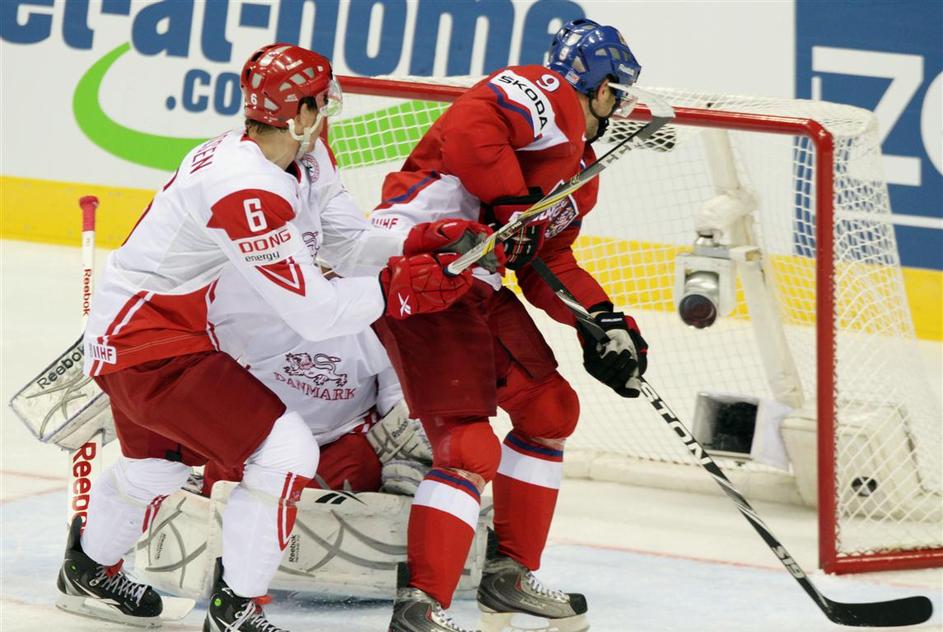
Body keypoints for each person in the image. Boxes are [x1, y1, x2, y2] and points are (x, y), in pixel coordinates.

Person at [60, 43, 490, 632]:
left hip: (169, 332)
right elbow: (315, 314)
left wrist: (418, 242)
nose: (327, 113)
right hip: (151, 341)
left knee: (159, 466)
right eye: (322, 103)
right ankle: (235, 609)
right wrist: (399, 289)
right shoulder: (245, 190)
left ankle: (87, 569)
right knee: (286, 451)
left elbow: (345, 244)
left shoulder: (303, 157)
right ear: (302, 111)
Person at [370, 19, 649, 632]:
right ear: (603, 88)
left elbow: (547, 261)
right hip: (422, 268)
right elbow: (472, 123)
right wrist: (511, 203)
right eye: (620, 92)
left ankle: (508, 576)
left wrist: (603, 321)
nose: (620, 106)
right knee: (470, 446)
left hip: (476, 281)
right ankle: (420, 606)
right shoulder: (546, 91)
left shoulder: (579, 174)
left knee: (550, 409)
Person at [200, 260, 431, 497]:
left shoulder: (386, 322)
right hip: (258, 433)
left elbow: (395, 397)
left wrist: (412, 439)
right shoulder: (264, 304)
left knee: (357, 474)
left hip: (341, 438)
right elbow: (211, 360)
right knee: (221, 490)